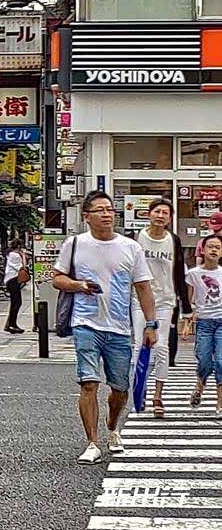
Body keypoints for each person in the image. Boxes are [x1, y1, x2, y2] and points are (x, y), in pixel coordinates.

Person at [53, 190, 158, 466]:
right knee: (88, 383)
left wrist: (151, 324)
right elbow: (57, 278)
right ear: (87, 216)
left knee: (120, 389)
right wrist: (79, 285)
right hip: (85, 323)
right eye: (100, 210)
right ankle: (92, 443)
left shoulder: (130, 247)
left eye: (110, 209)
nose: (106, 214)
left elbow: (143, 287)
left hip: (119, 328)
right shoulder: (75, 244)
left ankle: (113, 426)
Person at [132, 198, 190, 418]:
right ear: (149, 214)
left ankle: (158, 396)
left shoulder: (173, 240)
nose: (160, 216)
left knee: (161, 347)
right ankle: (140, 388)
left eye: (165, 213)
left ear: (170, 218)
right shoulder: (137, 238)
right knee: (139, 344)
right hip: (139, 299)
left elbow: (178, 273)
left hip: (165, 300)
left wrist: (186, 307)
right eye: (157, 211)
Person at [183, 234, 222, 415]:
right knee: (204, 360)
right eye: (210, 246)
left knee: (221, 362)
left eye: (218, 247)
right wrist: (187, 323)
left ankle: (220, 403)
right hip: (204, 322)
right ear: (202, 250)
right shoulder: (193, 274)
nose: (214, 250)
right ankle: (200, 385)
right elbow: (189, 301)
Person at [3, 239, 27, 335]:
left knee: (15, 303)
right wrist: (23, 256)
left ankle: (10, 324)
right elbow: (22, 267)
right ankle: (12, 324)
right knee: (17, 303)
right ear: (19, 246)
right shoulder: (15, 255)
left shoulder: (10, 254)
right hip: (13, 279)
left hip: (10, 280)